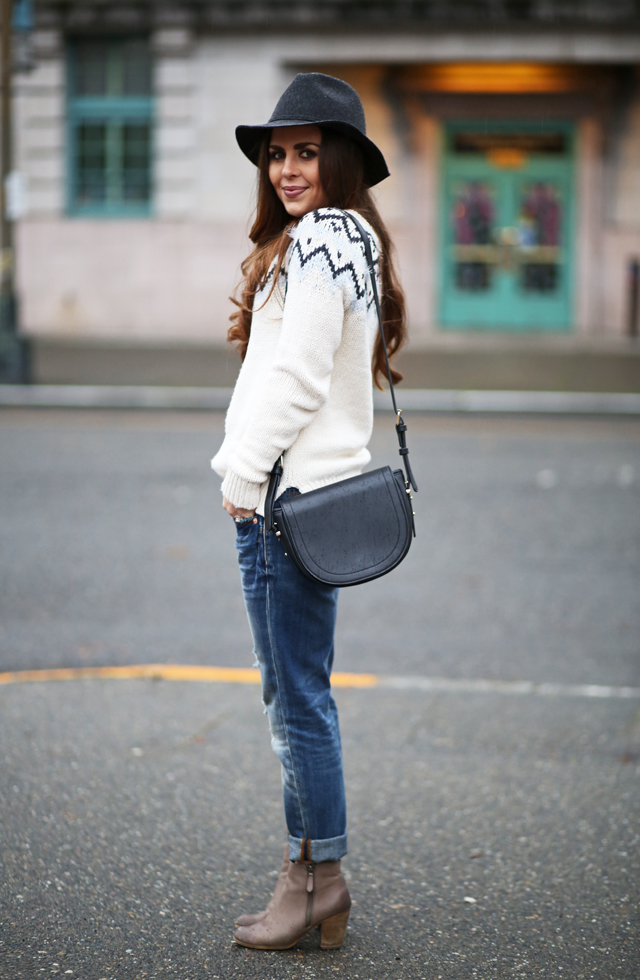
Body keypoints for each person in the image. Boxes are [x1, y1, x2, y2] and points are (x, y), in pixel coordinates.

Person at [211, 72, 407, 951]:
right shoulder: (332, 237)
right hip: (289, 502)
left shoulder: (327, 235)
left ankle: (320, 876)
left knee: (297, 702)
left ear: (343, 161)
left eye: (306, 151)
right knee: (293, 695)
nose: (288, 169)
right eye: (278, 155)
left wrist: (244, 473)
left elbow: (293, 379)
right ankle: (306, 875)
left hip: (284, 506)